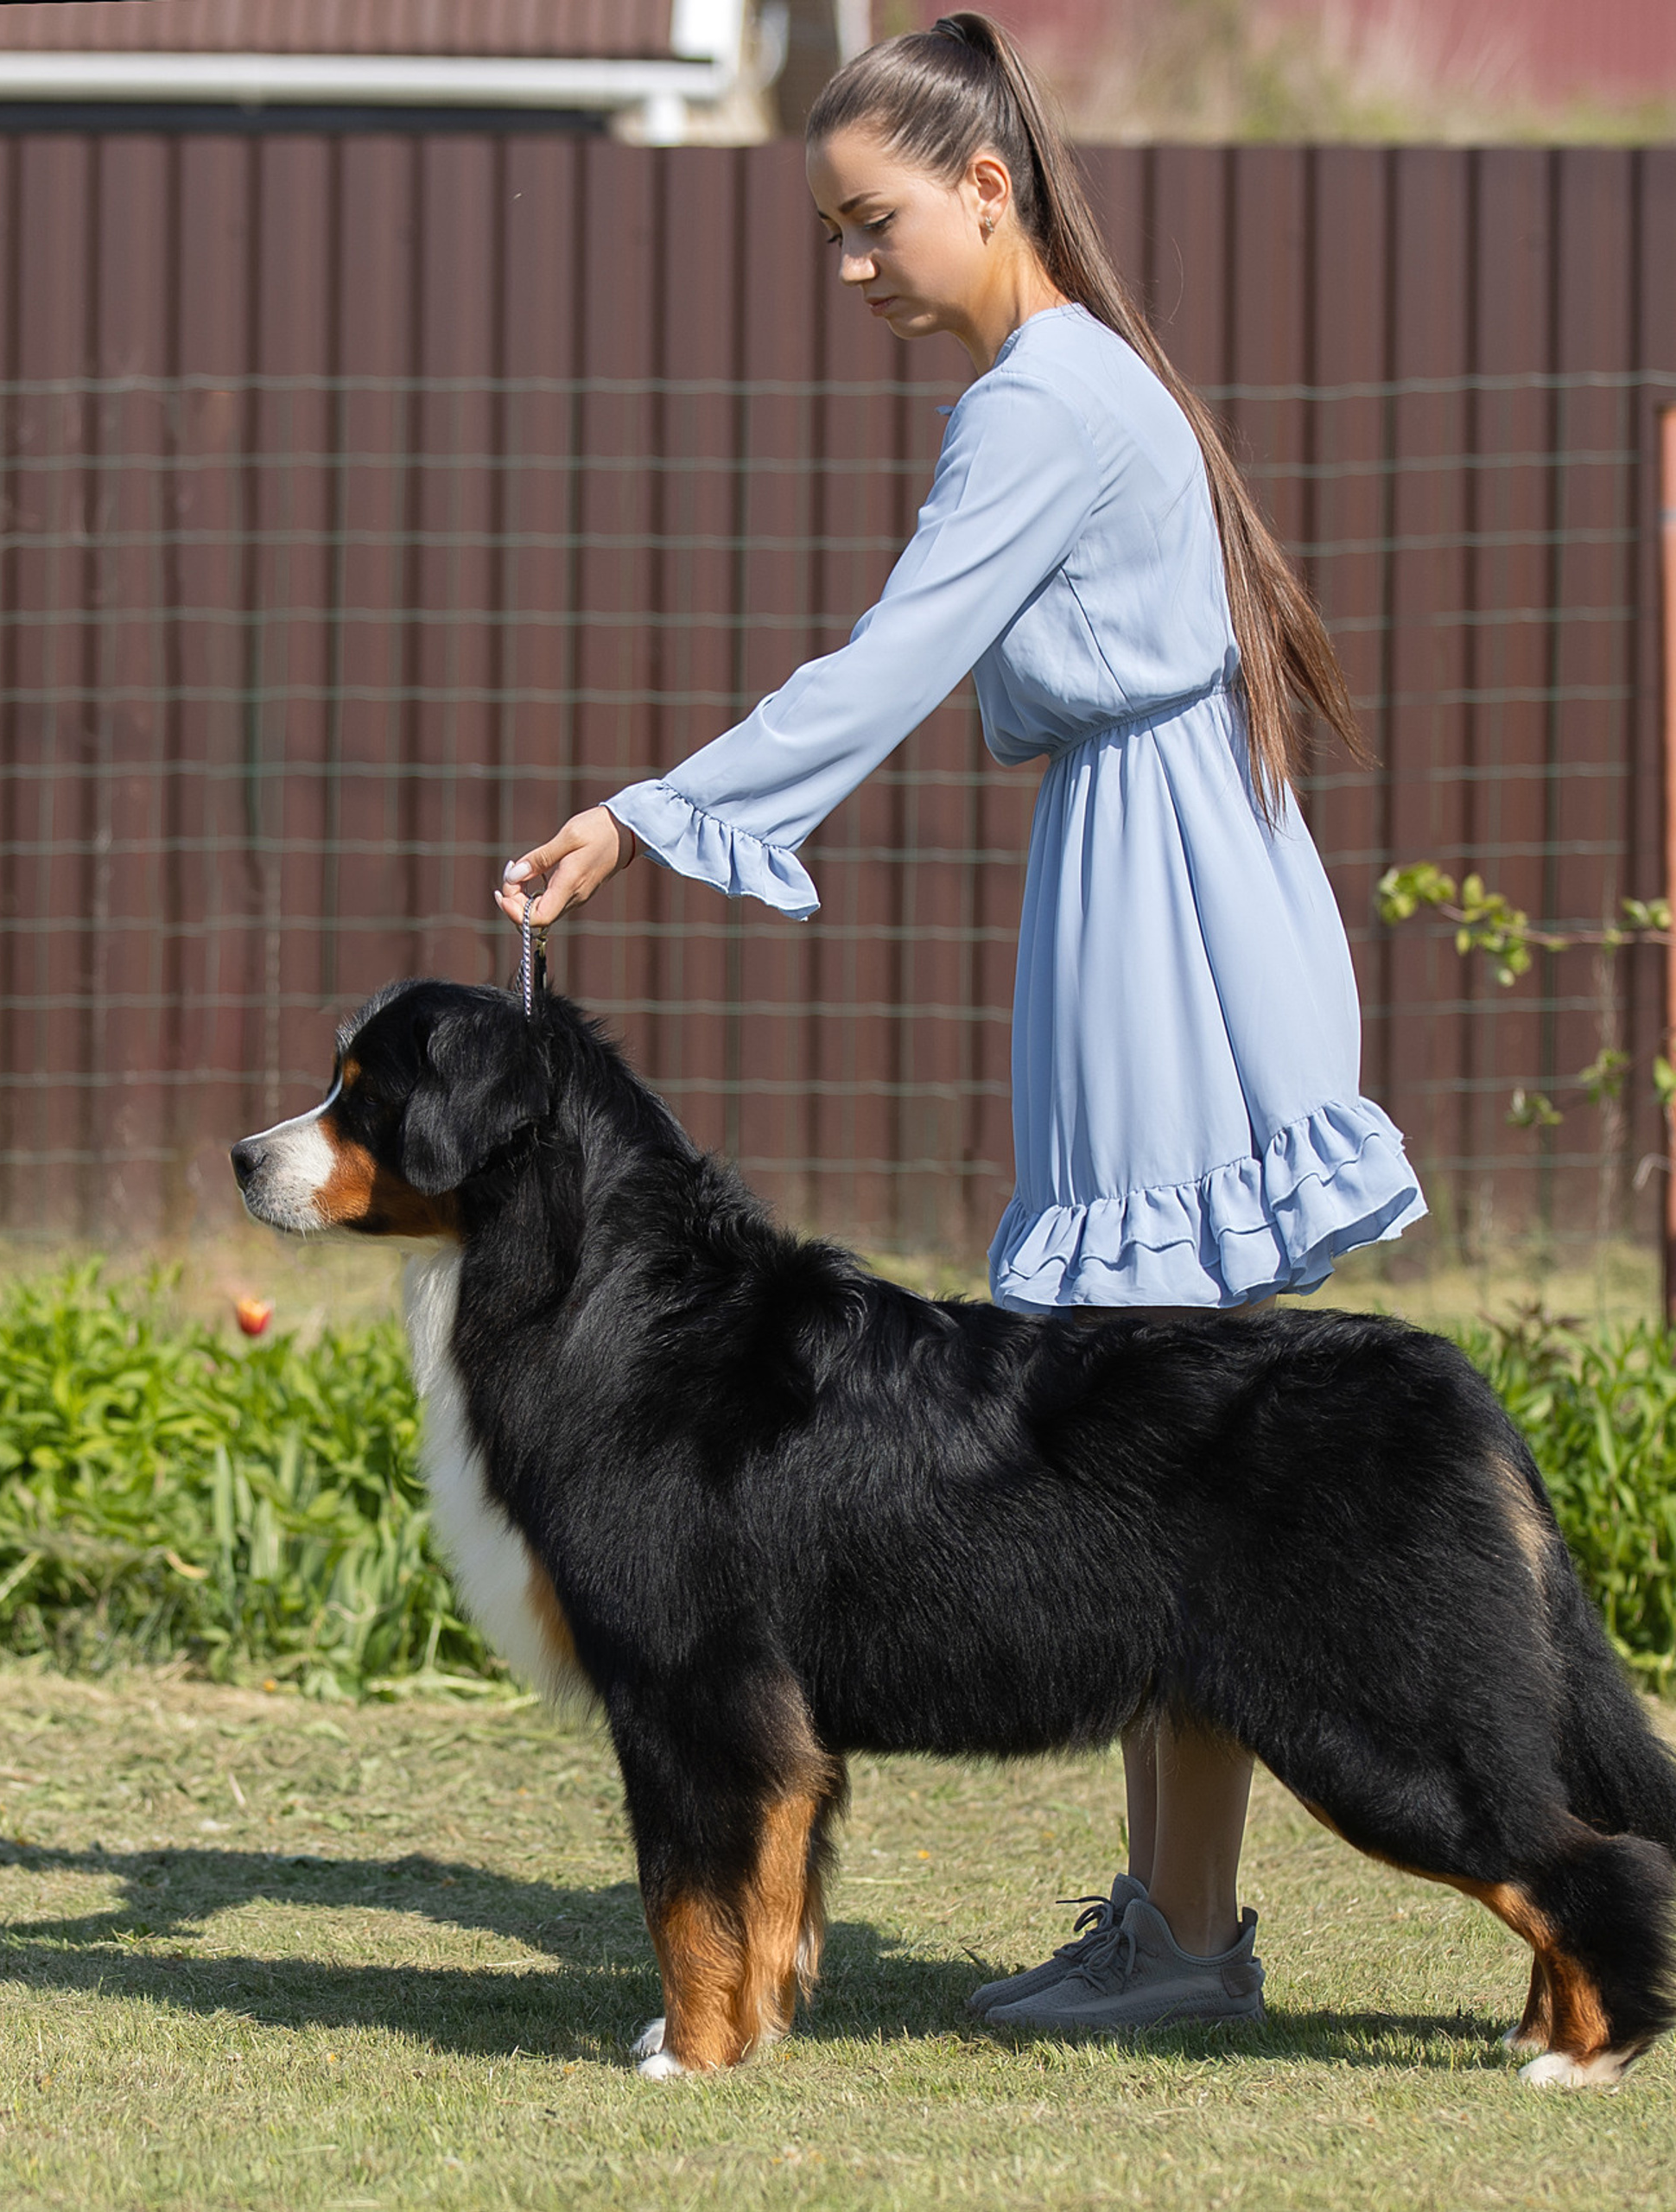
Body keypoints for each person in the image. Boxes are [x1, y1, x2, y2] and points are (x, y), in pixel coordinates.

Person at [494, 13, 1425, 2031]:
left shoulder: (1040, 400)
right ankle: (1173, 1923)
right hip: (1163, 880)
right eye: (830, 233)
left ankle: (1186, 1936)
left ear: (985, 188)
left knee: (1166, 1434)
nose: (850, 266)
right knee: (1157, 1426)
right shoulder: (1083, 377)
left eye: (870, 222)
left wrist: (643, 814)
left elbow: (889, 658)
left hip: (1163, 920)